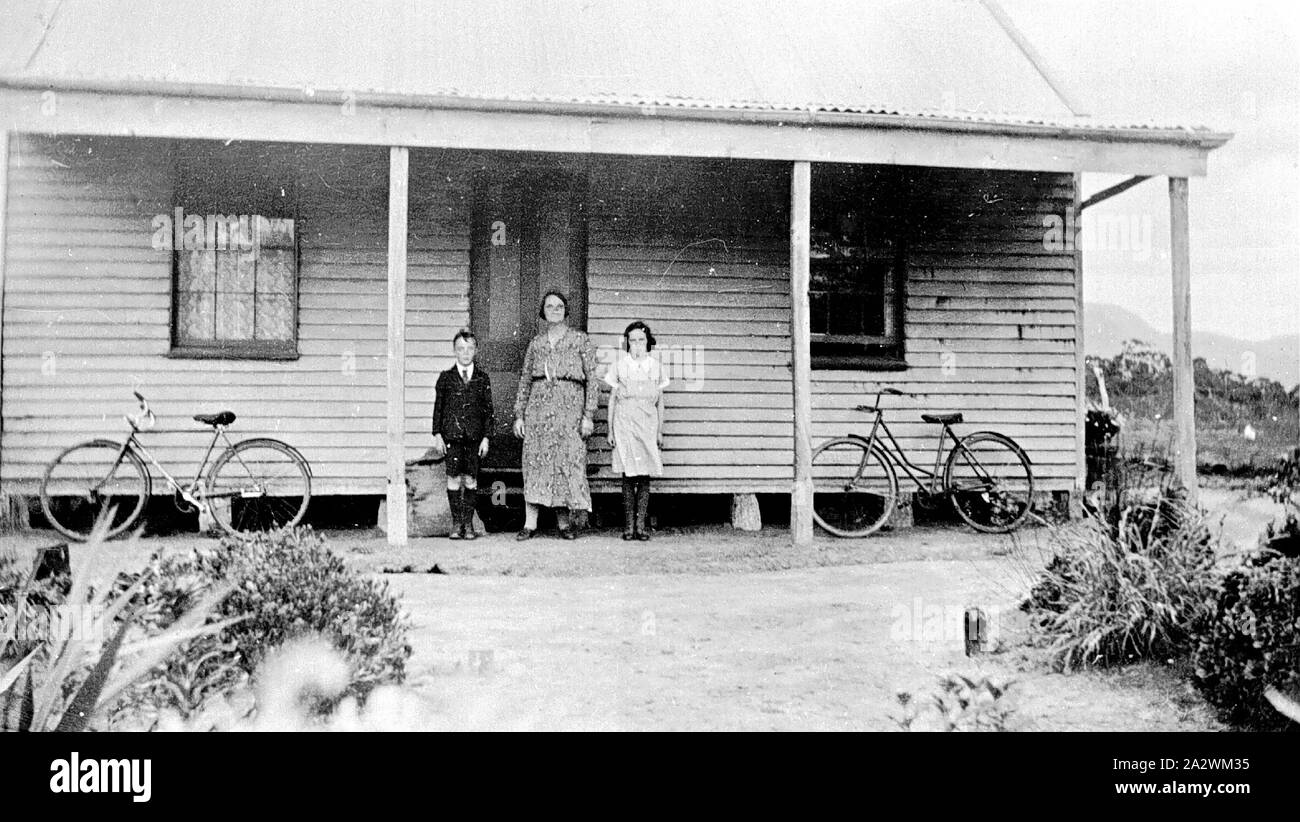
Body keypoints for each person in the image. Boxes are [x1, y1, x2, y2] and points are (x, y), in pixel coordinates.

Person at [513, 291, 600, 540]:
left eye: (559, 306)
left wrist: (588, 415)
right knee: (535, 462)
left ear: (566, 310)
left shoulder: (580, 340)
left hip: (569, 412)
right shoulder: (536, 343)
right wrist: (519, 415)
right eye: (550, 306)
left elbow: (592, 380)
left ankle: (564, 524)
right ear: (543, 312)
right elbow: (525, 380)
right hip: (538, 412)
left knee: (565, 462)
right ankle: (530, 524)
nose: (555, 309)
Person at [605, 321, 668, 540]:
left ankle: (641, 525)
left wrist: (659, 431)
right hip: (625, 424)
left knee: (644, 475)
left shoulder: (656, 366)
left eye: (641, 340)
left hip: (648, 424)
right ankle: (628, 526)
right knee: (628, 475)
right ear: (627, 343)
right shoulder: (620, 366)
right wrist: (610, 431)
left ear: (648, 342)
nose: (637, 344)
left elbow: (660, 402)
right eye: (632, 340)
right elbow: (612, 399)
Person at [431, 329, 493, 540]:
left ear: (475, 350)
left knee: (471, 479)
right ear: (454, 351)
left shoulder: (482, 378)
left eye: (469, 348)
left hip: (474, 439)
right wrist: (438, 434)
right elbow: (438, 408)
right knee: (454, 478)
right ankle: (457, 523)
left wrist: (486, 437)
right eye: (460, 349)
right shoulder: (446, 378)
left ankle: (468, 523)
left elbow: (488, 411)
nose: (465, 353)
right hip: (452, 438)